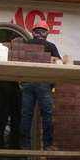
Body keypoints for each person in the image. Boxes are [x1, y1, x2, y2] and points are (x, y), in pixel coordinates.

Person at [21, 21, 61, 151]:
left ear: (33, 33)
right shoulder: (50, 46)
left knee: (27, 114)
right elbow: (58, 64)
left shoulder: (25, 45)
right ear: (46, 33)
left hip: (27, 82)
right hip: (44, 83)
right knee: (47, 114)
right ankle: (48, 145)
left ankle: (25, 145)